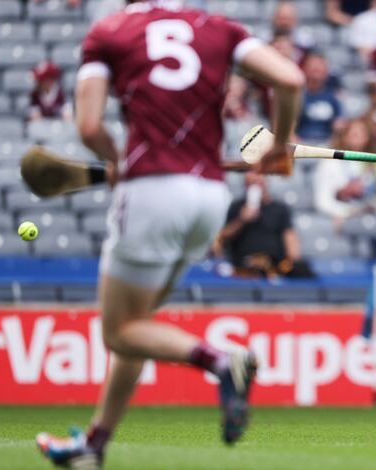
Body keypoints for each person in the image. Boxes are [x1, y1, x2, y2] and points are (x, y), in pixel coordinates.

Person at [35, 1, 304, 467]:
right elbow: (291, 80)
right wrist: (279, 145)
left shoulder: (110, 31)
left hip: (152, 194)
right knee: (138, 327)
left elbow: (88, 125)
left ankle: (221, 361)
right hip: (209, 199)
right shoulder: (221, 29)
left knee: (120, 332)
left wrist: (114, 156)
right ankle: (94, 446)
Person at [213, 172, 314, 279]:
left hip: (274, 265)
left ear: (266, 182)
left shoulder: (279, 209)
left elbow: (290, 238)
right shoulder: (237, 207)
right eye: (251, 183)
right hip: (244, 265)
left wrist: (293, 261)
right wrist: (241, 220)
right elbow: (222, 238)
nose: (256, 186)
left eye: (258, 182)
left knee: (302, 270)